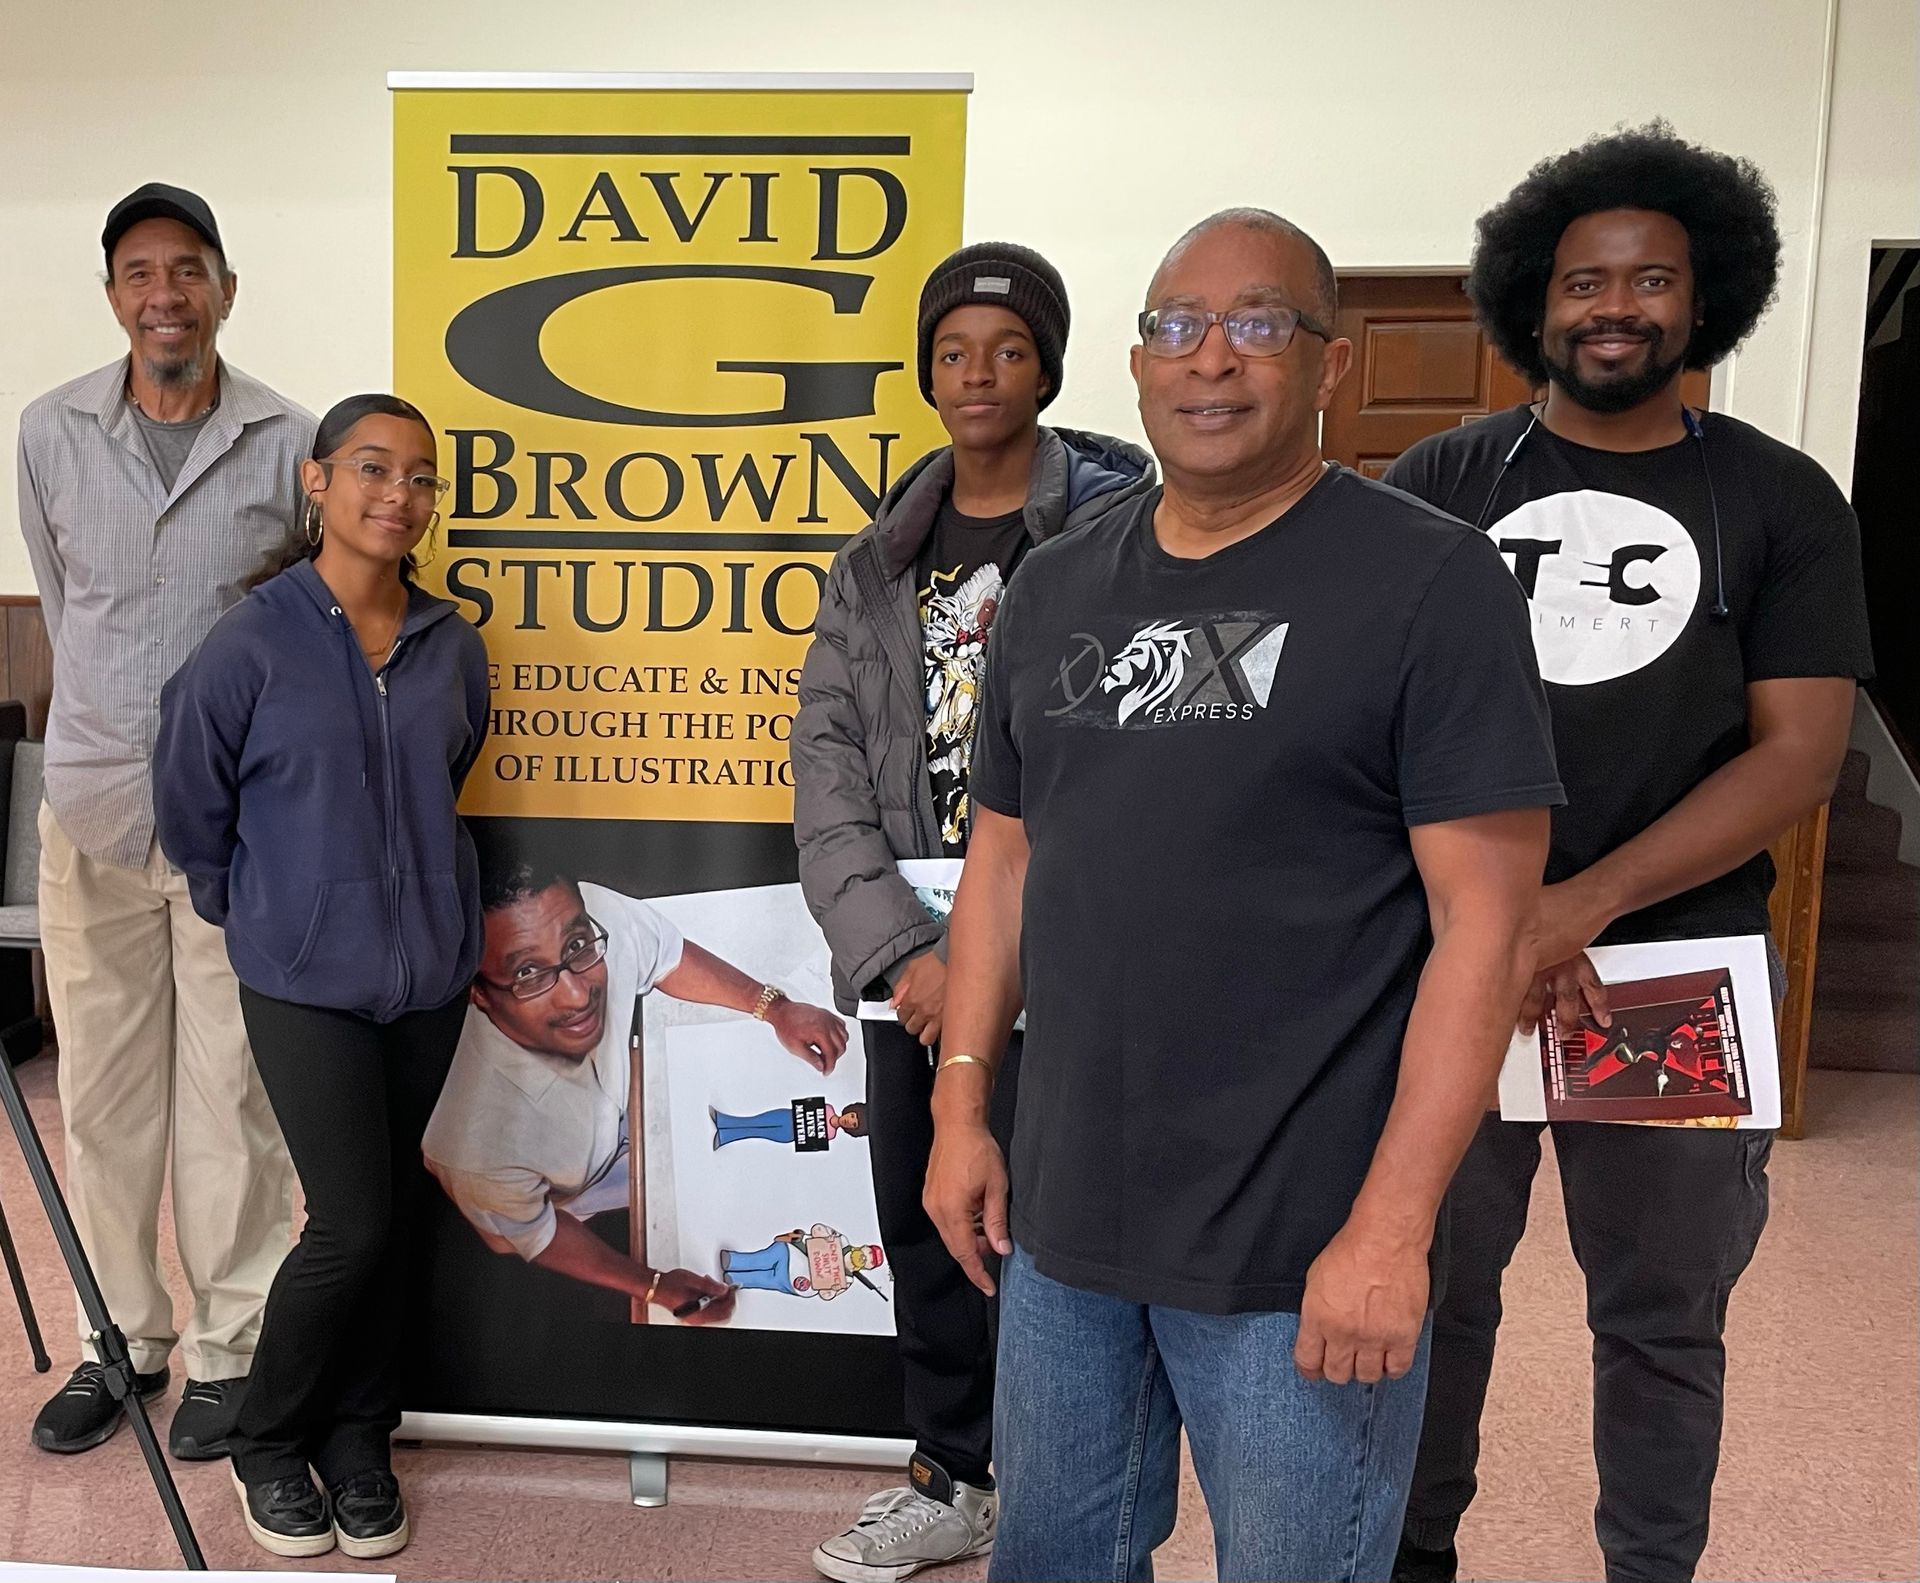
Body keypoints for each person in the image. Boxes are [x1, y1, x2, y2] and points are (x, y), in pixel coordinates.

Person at [923, 209, 1566, 1583]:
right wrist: (963, 1100)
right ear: (1139, 362)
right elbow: (1004, 864)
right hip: (1067, 1219)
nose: (1211, 357)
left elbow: (1486, 929)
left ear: (1329, 363)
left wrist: (1392, 1230)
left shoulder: (1430, 581)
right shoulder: (1056, 584)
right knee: (1052, 1560)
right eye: (1175, 325)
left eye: (1259, 322)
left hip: (1303, 1236)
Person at [1383, 125, 1872, 1583]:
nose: (1617, 306)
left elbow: (1797, 751)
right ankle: (1407, 1555)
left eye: (1653, 278)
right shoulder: (1436, 480)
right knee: (1429, 1288)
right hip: (1454, 953)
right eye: (1586, 279)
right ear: (1529, 298)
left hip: (1675, 964)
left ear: (1706, 295)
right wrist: (1499, 921)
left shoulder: (1782, 499)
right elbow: (1373, 729)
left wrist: (1577, 907)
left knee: (1661, 1314)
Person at [793, 241, 1153, 1583]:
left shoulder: (1120, 537)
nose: (977, 373)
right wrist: (904, 953)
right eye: (953, 351)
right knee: (926, 1215)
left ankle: (1073, 1490)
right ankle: (953, 1471)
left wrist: (1015, 952)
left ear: (1047, 366)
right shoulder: (873, 563)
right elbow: (822, 763)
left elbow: (1145, 757)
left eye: (1006, 348)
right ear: (926, 372)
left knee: (1070, 1225)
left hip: (1073, 953)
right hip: (919, 969)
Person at [154, 393, 489, 1560]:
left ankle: (359, 1438)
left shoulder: (453, 640)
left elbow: (454, 764)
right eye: (371, 469)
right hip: (303, 976)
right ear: (317, 480)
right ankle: (266, 1434)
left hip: (429, 979)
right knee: (350, 1218)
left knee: (392, 1217)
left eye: (421, 478)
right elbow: (190, 795)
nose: (398, 495)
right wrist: (252, 905)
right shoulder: (255, 637)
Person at [17, 184, 309, 1461]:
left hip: (237, 835)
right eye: (138, 274)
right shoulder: (47, 430)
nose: (163, 295)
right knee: (106, 1096)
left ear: (225, 290)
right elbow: (67, 602)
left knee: (229, 1101)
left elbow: (302, 623)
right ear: (114, 298)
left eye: (186, 271)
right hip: (87, 815)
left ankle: (229, 1348)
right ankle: (120, 1339)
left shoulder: (288, 436)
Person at [422, 864, 848, 1316]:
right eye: (528, 973)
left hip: (643, 1111)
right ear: (481, 994)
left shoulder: (593, 916)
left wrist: (774, 1008)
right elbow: (534, 1232)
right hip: (568, 1194)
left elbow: (664, 954)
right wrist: (654, 1287)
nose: (575, 994)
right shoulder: (474, 1146)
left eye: (578, 947)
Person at [710, 1100, 868, 1148]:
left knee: (759, 1132)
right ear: (850, 1110)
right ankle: (725, 1120)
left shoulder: (830, 1135)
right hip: (786, 1116)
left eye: (853, 1124)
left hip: (788, 1135)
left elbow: (810, 1142)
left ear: (851, 1130)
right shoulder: (828, 1108)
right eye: (852, 1116)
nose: (848, 1120)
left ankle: (726, 1136)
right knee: (757, 1120)